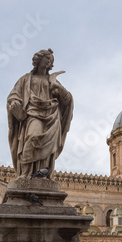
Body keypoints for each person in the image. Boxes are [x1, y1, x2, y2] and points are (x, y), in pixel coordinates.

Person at [7, 49, 73, 178]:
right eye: (47, 58)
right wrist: (15, 103)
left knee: (47, 150)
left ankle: (42, 175)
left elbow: (67, 100)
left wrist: (59, 90)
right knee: (33, 136)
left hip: (52, 115)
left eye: (51, 60)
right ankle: (25, 174)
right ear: (38, 59)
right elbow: (14, 95)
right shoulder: (25, 79)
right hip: (33, 114)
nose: (49, 61)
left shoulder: (52, 80)